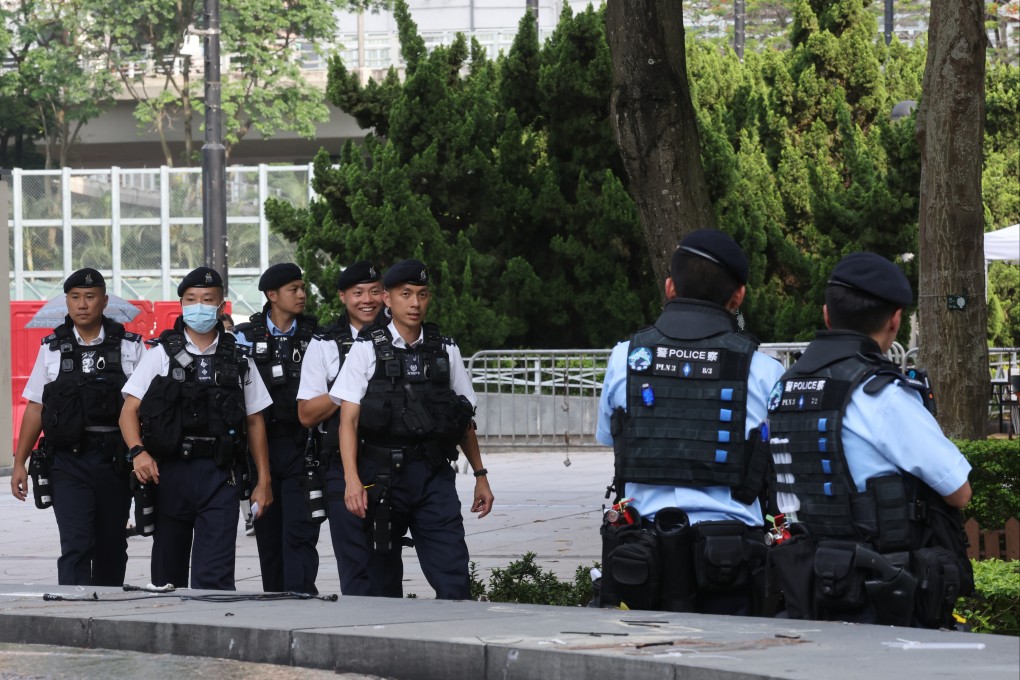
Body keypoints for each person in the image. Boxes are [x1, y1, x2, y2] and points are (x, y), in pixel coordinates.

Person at [767, 252, 973, 628]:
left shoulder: (784, 388)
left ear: (827, 315)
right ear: (895, 320)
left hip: (804, 584)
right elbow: (958, 490)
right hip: (880, 592)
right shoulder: (882, 395)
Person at [595, 229, 784, 615]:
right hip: (731, 563)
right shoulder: (765, 371)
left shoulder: (624, 359)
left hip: (641, 555)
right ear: (738, 296)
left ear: (669, 287)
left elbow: (608, 438)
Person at [329, 259, 494, 599]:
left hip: (433, 475)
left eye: (422, 294)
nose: (415, 303)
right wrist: (351, 480)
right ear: (387, 300)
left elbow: (463, 419)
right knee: (381, 580)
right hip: (381, 477)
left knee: (453, 577)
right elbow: (348, 420)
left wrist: (480, 474)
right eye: (406, 294)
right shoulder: (365, 348)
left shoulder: (445, 349)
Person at [119, 267, 274, 590]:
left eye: (207, 300)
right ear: (181, 304)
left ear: (221, 307)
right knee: (166, 575)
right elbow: (129, 411)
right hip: (170, 472)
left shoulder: (239, 357)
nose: (199, 306)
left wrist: (263, 480)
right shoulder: (160, 354)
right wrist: (138, 452)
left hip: (221, 474)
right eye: (191, 300)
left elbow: (255, 419)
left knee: (215, 577)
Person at [10, 268, 144, 586]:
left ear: (104, 300)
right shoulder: (52, 347)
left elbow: (146, 407)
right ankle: (73, 615)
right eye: (74, 298)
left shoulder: (130, 347)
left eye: (89, 297)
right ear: (67, 301)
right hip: (68, 461)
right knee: (76, 545)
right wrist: (19, 461)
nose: (82, 304)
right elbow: (35, 407)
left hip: (114, 461)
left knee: (112, 545)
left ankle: (107, 618)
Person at [295, 260, 401, 595]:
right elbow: (307, 414)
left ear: (385, 295)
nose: (367, 300)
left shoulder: (400, 336)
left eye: (374, 291)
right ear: (342, 297)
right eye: (358, 293)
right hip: (342, 464)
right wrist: (348, 388)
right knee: (354, 559)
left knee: (387, 559)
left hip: (393, 461)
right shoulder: (325, 343)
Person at [234, 263, 322, 594]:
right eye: (293, 289)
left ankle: (301, 595)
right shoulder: (244, 336)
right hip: (261, 447)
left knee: (300, 531)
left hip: (303, 447)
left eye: (303, 288)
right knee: (268, 536)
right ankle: (275, 602)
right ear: (272, 295)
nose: (301, 295)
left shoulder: (317, 335)